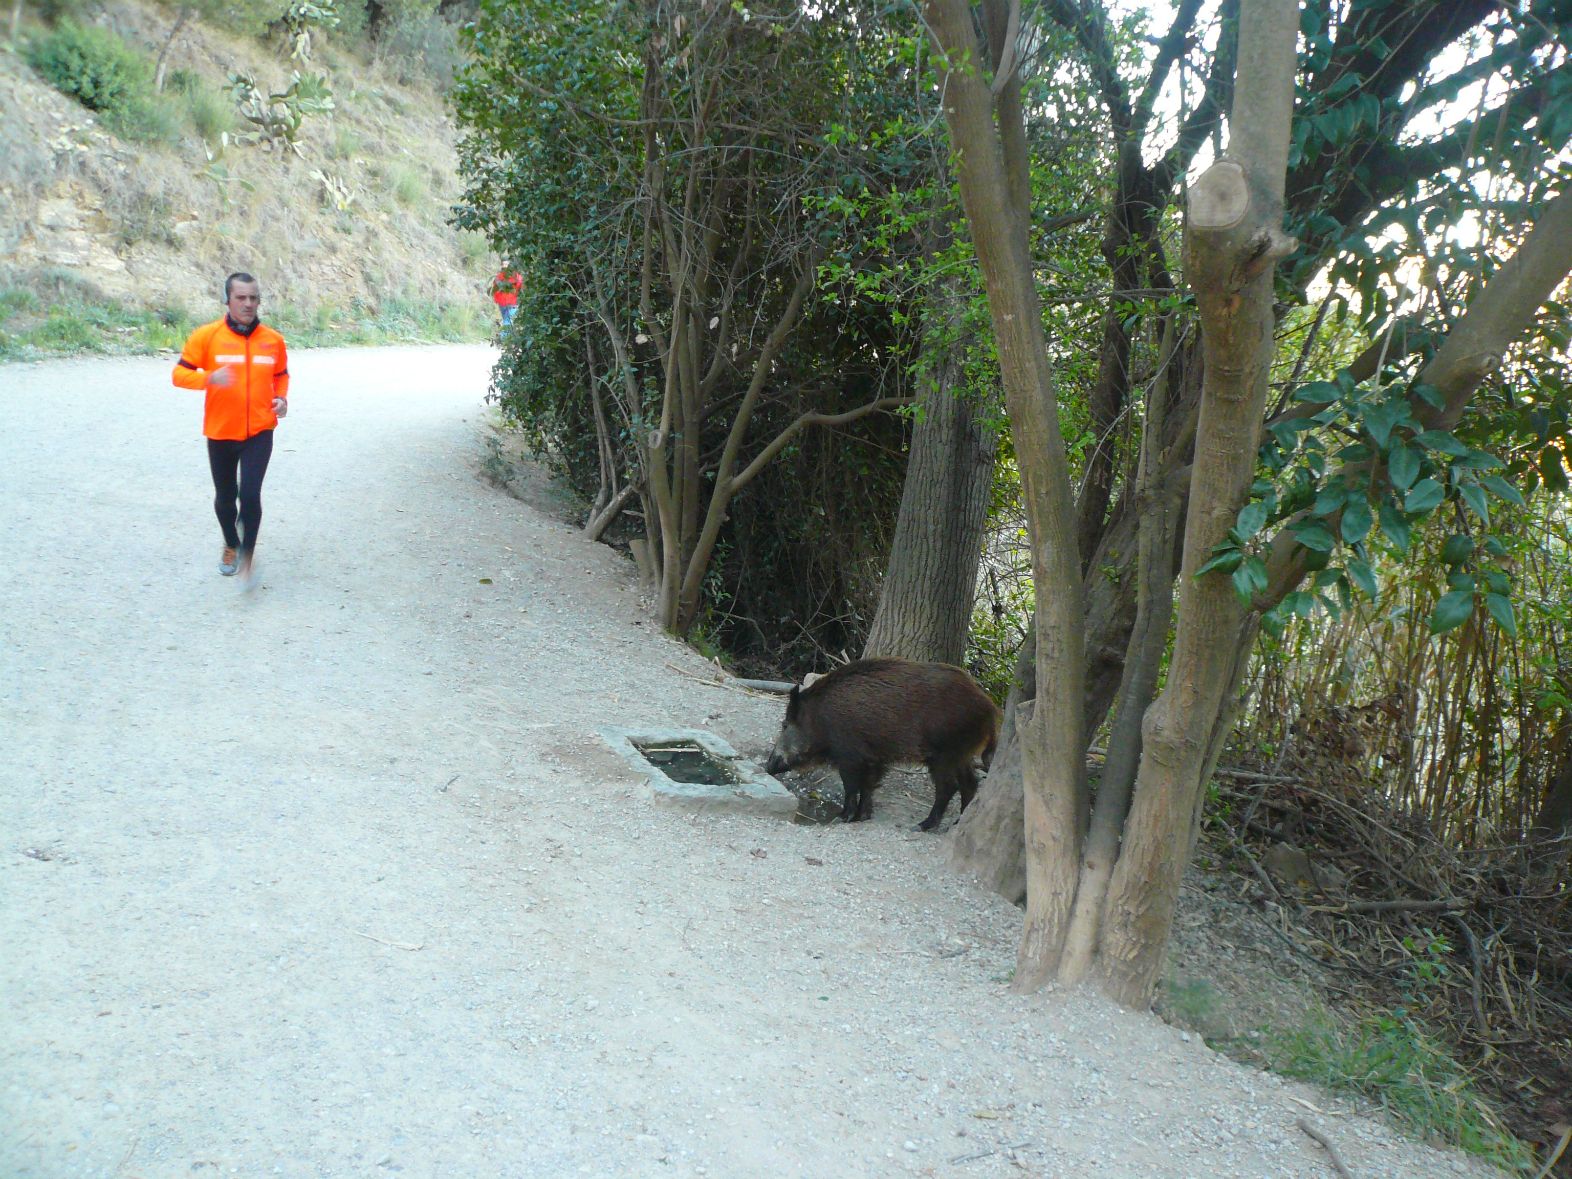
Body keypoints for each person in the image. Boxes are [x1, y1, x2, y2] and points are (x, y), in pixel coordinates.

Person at [171, 271, 289, 586]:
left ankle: (247, 556)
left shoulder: (273, 340)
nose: (248, 304)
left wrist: (281, 399)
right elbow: (179, 375)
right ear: (227, 300)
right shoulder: (206, 336)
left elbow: (281, 374)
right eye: (241, 297)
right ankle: (231, 544)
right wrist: (209, 378)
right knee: (226, 497)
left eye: (253, 298)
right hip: (221, 430)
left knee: (250, 495)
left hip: (260, 431)